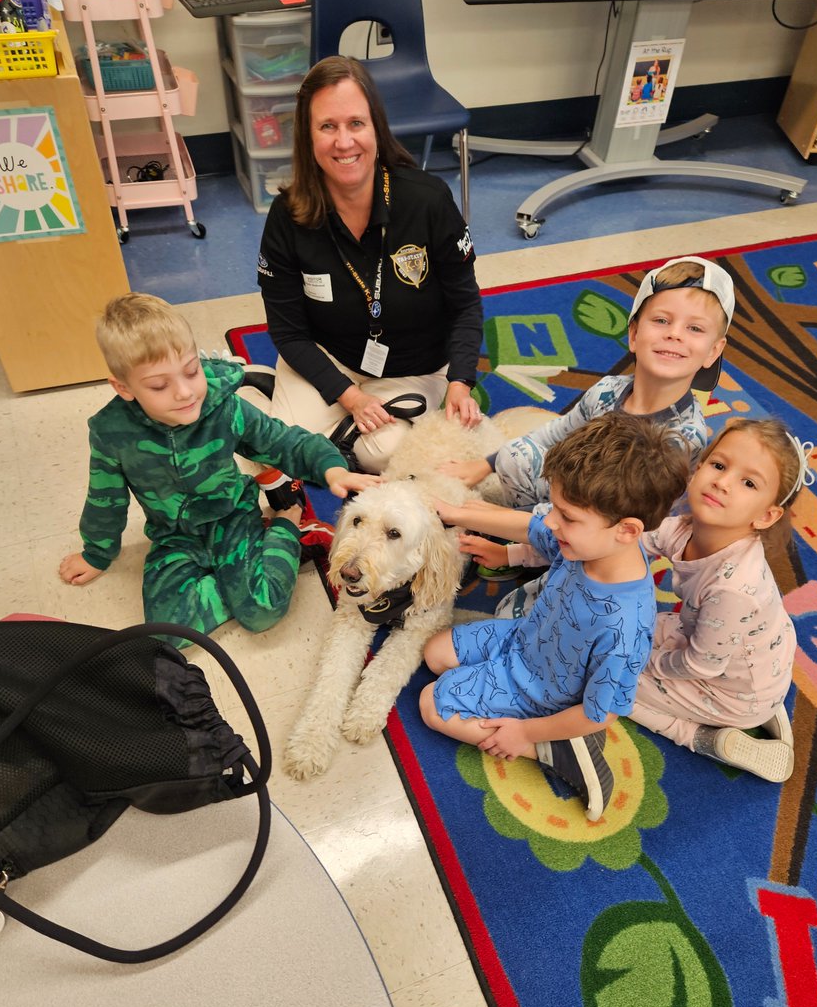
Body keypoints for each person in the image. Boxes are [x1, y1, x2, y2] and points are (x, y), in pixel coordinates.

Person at [59, 293, 379, 645]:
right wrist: (97, 553)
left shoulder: (224, 407)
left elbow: (284, 442)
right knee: (165, 636)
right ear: (124, 388)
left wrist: (331, 468)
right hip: (173, 536)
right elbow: (105, 498)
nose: (184, 392)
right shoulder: (111, 432)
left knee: (262, 613)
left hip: (234, 519)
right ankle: (240, 580)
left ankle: (285, 526)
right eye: (159, 385)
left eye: (192, 370)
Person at [419, 413, 690, 822]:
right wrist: (455, 513)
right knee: (435, 652)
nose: (552, 521)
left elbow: (602, 713)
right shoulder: (587, 542)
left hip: (542, 693)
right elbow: (530, 527)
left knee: (430, 705)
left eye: (567, 516)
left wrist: (525, 734)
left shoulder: (625, 625)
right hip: (526, 640)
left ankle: (557, 749)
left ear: (628, 530)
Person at [442, 255, 734, 615]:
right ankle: (535, 549)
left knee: (512, 614)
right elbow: (555, 433)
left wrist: (471, 514)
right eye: (661, 320)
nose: (674, 333)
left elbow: (611, 519)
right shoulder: (609, 389)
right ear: (633, 333)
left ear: (713, 351)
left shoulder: (682, 438)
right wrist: (484, 465)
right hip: (569, 501)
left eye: (695, 329)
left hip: (609, 537)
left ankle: (541, 551)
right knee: (516, 454)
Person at [257, 55, 483, 474]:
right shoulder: (286, 216)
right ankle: (270, 392)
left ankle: (333, 433)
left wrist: (460, 381)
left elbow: (466, 305)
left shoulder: (428, 199)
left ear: (377, 127)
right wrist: (350, 397)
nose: (344, 142)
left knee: (384, 452)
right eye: (328, 127)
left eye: (356, 124)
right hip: (329, 358)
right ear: (308, 138)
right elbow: (288, 331)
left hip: (416, 368)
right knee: (283, 451)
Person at [630, 417, 811, 783]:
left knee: (610, 677)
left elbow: (700, 666)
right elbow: (632, 541)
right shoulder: (685, 526)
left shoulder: (734, 588)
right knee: (640, 629)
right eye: (718, 465)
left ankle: (702, 736)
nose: (722, 483)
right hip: (742, 651)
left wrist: (643, 662)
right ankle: (763, 702)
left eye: (747, 483)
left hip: (727, 683)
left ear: (766, 515)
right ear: (699, 469)